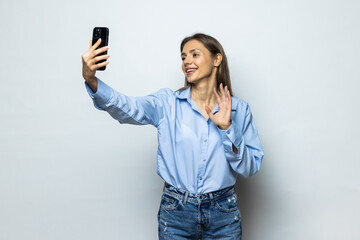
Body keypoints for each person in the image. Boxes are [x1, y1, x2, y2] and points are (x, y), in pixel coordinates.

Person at [82, 33, 264, 240]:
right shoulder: (167, 103)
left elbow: (251, 167)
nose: (187, 61)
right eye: (183, 57)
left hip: (224, 213)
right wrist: (91, 80)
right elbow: (127, 107)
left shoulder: (239, 110)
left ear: (216, 59)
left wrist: (227, 128)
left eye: (195, 54)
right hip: (176, 211)